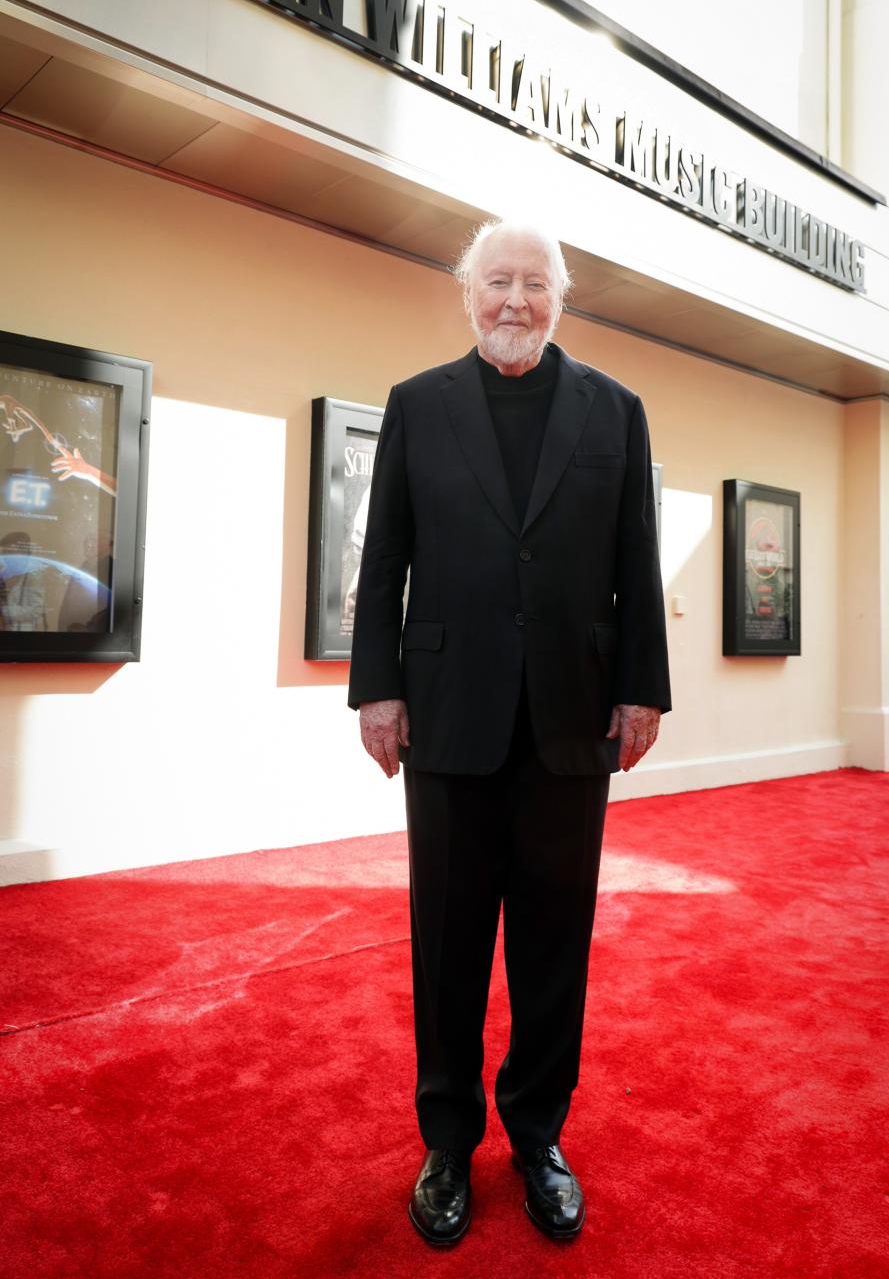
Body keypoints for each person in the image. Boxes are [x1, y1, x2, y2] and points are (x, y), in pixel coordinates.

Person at [347, 219, 670, 1244]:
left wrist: (643, 689)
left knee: (552, 943)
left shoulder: (616, 413)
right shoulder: (416, 405)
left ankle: (538, 1135)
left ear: (560, 298)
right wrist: (376, 690)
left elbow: (637, 557)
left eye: (534, 283)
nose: (514, 301)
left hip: (572, 721)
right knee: (445, 944)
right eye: (498, 282)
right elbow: (383, 557)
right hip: (446, 716)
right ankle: (447, 1142)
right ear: (466, 292)